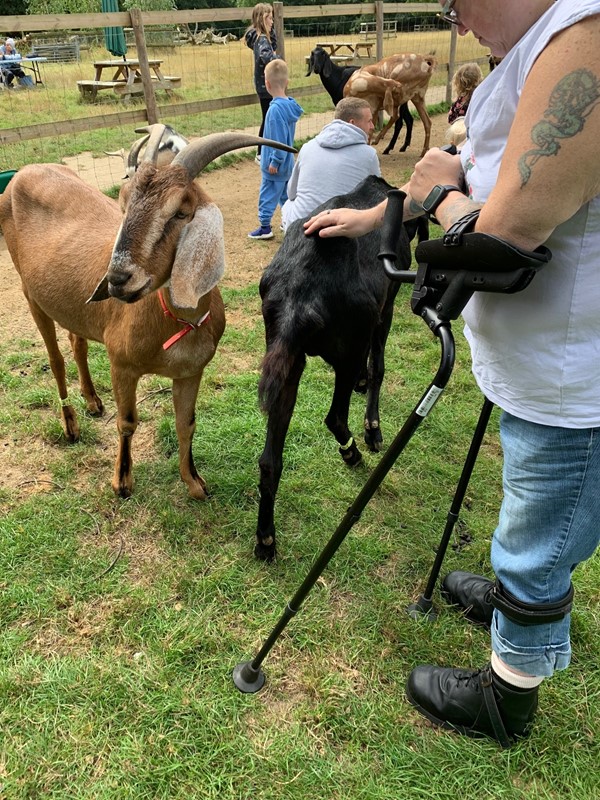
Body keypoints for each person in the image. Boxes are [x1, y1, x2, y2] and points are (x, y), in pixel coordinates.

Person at [304, 0, 600, 747]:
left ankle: (509, 694)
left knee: (543, 525)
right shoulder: (547, 39)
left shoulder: (588, 37)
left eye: (456, 2)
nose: (459, 22)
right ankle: (513, 599)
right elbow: (489, 169)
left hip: (575, 371)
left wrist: (436, 192)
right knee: (535, 504)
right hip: (545, 354)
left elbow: (504, 234)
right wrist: (378, 217)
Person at [281, 97, 381, 232]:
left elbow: (291, 193)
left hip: (302, 227)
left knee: (289, 204)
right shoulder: (369, 155)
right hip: (343, 228)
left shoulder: (307, 147)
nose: (372, 126)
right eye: (369, 121)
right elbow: (377, 197)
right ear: (353, 123)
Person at [248, 59, 303, 240]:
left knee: (268, 193)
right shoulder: (289, 106)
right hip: (287, 163)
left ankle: (265, 227)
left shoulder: (274, 112)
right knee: (285, 195)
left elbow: (278, 138)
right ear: (287, 83)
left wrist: (274, 161)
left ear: (267, 84)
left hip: (276, 164)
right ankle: (290, 220)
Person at [245, 3, 278, 163]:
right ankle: (260, 152)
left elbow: (275, 45)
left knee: (268, 117)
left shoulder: (262, 38)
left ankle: (265, 149)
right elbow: (267, 57)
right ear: (262, 19)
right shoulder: (262, 40)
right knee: (268, 119)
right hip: (266, 87)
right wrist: (278, 60)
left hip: (264, 86)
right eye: (270, 18)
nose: (272, 21)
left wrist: (272, 31)